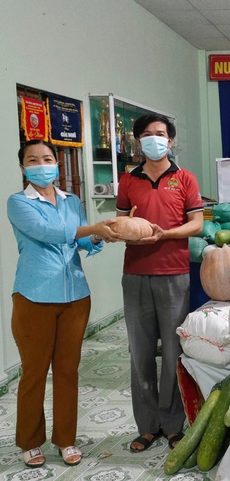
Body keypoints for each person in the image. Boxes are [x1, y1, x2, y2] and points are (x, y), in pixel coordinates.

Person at [7, 140, 120, 468]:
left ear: (56, 162)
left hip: (75, 299)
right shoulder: (18, 202)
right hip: (34, 297)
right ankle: (29, 441)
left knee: (68, 371)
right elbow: (49, 231)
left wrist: (101, 235)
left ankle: (66, 439)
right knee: (34, 372)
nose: (41, 164)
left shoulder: (72, 201)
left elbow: (81, 239)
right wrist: (93, 227)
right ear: (23, 167)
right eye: (32, 159)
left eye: (47, 158)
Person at [116, 113, 203, 452]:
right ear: (139, 141)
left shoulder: (185, 179)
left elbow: (196, 223)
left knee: (173, 352)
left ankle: (172, 424)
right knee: (139, 353)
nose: (155, 139)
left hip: (174, 275)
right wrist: (119, 231)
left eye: (161, 134)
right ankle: (147, 426)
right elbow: (121, 222)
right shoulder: (127, 181)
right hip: (135, 275)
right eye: (148, 134)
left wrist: (166, 234)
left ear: (170, 141)